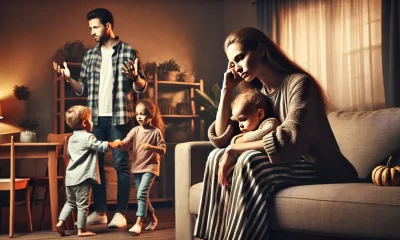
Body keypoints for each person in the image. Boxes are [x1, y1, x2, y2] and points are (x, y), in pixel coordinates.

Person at [194, 27, 359, 240]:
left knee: (251, 161)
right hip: (288, 163)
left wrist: (235, 148)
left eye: (241, 57)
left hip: (319, 166)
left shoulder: (299, 83)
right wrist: (226, 91)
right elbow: (221, 139)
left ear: (261, 50)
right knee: (214, 156)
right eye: (233, 63)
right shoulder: (258, 97)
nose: (238, 66)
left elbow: (290, 138)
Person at [53, 8, 148, 228]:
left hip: (119, 117)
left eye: (95, 27)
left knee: (120, 165)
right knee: (93, 166)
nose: (92, 32)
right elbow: (83, 88)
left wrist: (135, 77)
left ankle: (121, 214)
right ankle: (102, 211)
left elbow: (140, 87)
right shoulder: (90, 55)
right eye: (90, 28)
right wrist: (69, 79)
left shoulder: (128, 51)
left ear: (108, 26)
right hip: (95, 119)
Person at [56, 105, 121, 237]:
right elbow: (102, 147)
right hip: (83, 177)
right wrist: (115, 143)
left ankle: (61, 222)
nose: (92, 122)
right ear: (85, 123)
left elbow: (69, 153)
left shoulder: (71, 138)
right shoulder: (88, 137)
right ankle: (82, 230)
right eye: (91, 120)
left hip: (71, 177)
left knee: (70, 202)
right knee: (83, 205)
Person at [118, 99, 166, 235]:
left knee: (141, 194)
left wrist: (151, 147)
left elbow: (163, 150)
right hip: (137, 167)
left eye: (143, 114)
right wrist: (119, 144)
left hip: (150, 167)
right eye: (137, 114)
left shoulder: (156, 132)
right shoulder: (134, 131)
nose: (139, 116)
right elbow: (126, 143)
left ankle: (139, 223)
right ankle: (153, 219)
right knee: (143, 196)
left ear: (150, 116)